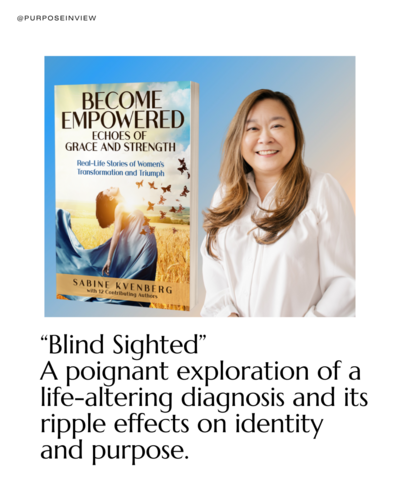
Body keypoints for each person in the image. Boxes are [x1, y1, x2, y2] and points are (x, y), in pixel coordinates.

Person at [201, 89, 355, 317]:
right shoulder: (226, 192)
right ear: (239, 139)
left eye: (277, 126)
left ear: (296, 134)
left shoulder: (323, 189)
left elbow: (347, 282)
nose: (265, 138)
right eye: (252, 128)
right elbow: (214, 265)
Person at [56, 186, 158, 307]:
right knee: (141, 272)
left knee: (145, 276)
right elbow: (116, 233)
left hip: (147, 243)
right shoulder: (120, 207)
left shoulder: (127, 203)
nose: (110, 188)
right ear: (110, 197)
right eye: (108, 191)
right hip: (142, 246)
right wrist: (109, 258)